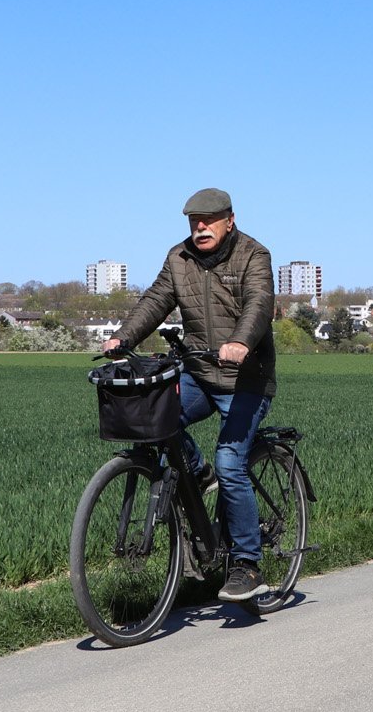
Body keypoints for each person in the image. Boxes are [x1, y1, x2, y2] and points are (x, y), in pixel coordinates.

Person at [104, 188, 278, 602]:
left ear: (229, 220)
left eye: (208, 220)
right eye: (193, 221)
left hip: (246, 379)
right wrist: (122, 337)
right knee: (151, 423)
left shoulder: (254, 255)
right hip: (200, 373)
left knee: (231, 462)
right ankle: (197, 474)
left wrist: (240, 342)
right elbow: (156, 300)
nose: (200, 227)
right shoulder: (178, 258)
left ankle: (247, 565)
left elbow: (259, 303)